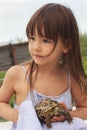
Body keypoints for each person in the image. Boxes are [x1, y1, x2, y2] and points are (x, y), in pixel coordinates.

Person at [0, 3, 87, 130]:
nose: (36, 47)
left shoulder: (70, 76)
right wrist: (17, 116)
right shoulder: (17, 74)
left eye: (46, 40)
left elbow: (85, 108)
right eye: (32, 38)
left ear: (66, 45)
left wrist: (67, 115)